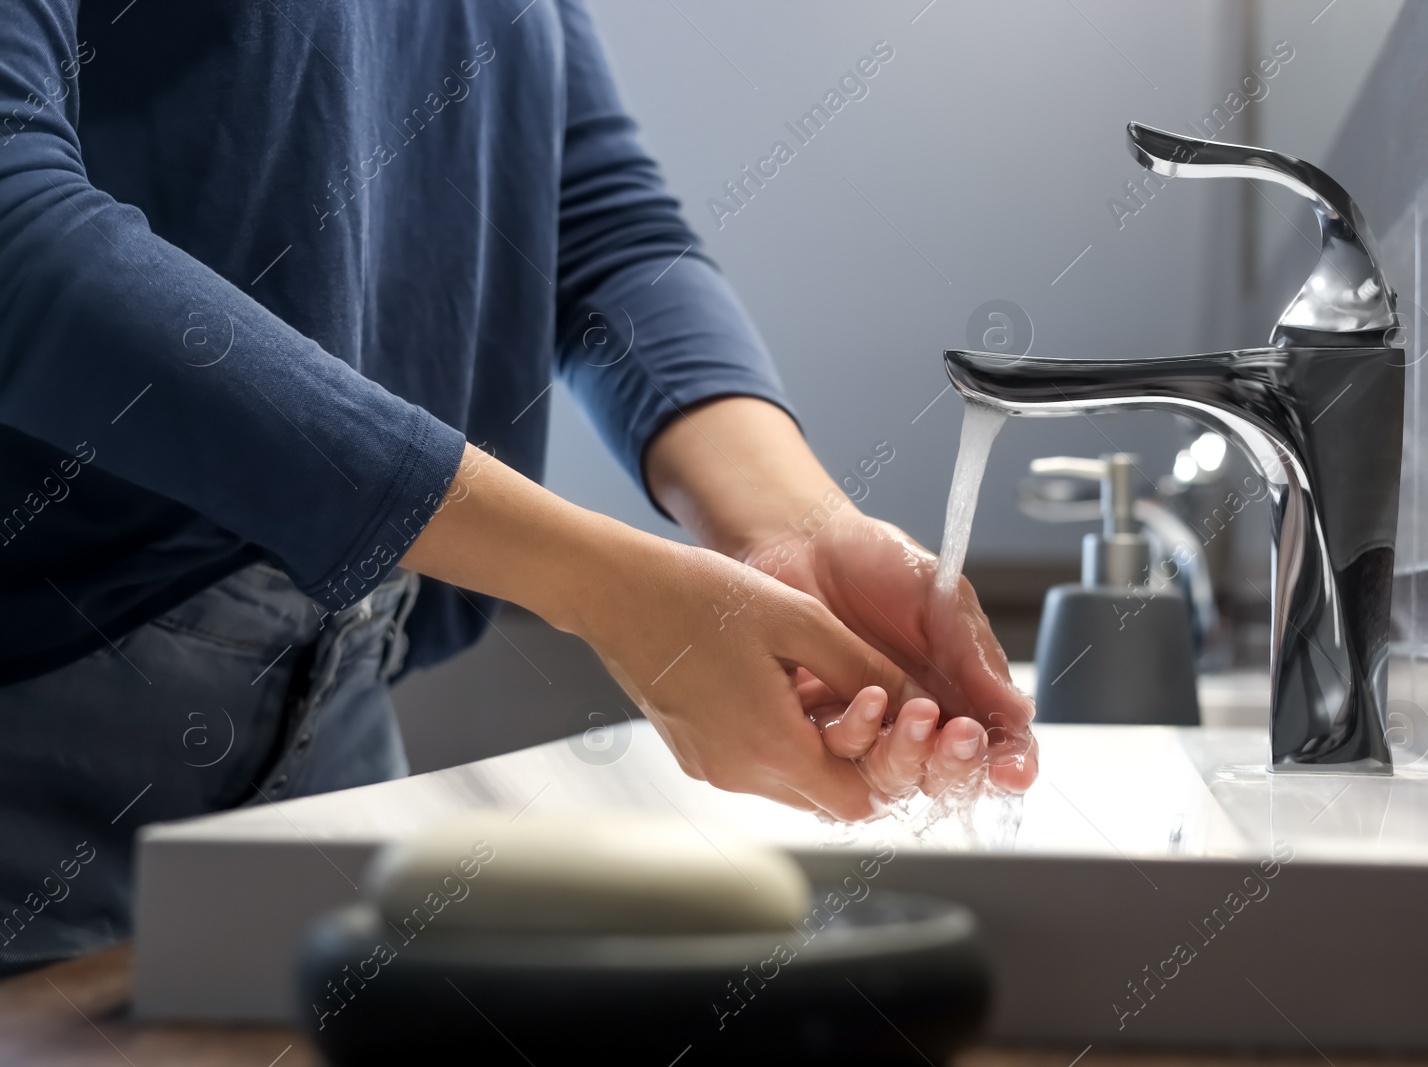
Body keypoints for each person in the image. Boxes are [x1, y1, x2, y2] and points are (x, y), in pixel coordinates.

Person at [0, 0, 1036, 974]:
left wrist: (796, 529)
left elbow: (592, 220)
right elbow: (15, 221)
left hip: (338, 700)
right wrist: (601, 584)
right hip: (44, 720)